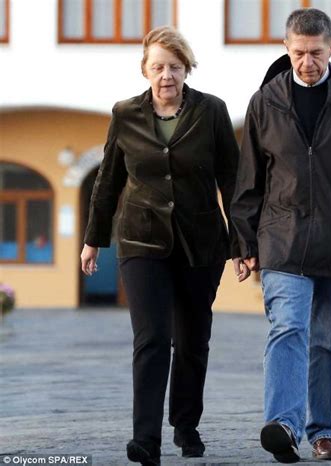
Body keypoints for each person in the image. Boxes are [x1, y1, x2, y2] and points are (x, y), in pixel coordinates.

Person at [231, 8, 331, 463]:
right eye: (300, 53)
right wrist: (245, 245)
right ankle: (283, 425)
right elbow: (248, 183)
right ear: (287, 48)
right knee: (287, 328)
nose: (308, 62)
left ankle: (324, 431)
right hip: (281, 241)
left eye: (316, 53)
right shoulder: (264, 103)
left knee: (329, 343)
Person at [80, 26, 248, 465]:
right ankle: (145, 440)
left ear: (186, 69)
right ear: (145, 70)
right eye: (158, 67)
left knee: (192, 340)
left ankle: (186, 424)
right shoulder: (125, 114)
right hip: (140, 239)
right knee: (152, 338)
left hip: (201, 244)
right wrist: (93, 240)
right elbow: (108, 179)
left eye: (175, 67)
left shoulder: (212, 112)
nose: (166, 75)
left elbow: (230, 180)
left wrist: (241, 243)